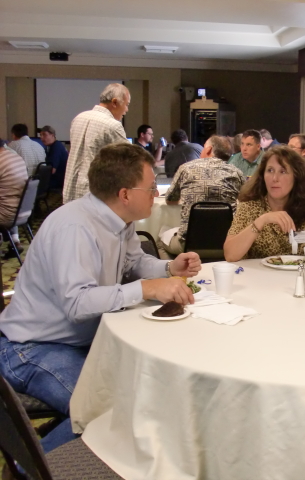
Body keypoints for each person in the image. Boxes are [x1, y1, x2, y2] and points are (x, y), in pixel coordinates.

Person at [0, 142, 202, 453]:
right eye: (150, 188)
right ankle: (36, 470)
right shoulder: (75, 228)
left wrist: (168, 267)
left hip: (79, 340)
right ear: (125, 194)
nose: (156, 194)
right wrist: (148, 288)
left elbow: (133, 262)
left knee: (146, 391)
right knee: (108, 409)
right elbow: (78, 304)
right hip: (31, 347)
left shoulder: (118, 219)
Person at [224, 145, 305, 260]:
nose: (275, 178)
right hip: (258, 276)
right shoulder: (249, 206)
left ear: (296, 177)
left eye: (283, 171)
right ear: (263, 176)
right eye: (270, 170)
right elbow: (230, 255)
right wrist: (261, 221)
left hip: (296, 276)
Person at [161, 135, 245, 255]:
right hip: (227, 245)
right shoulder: (237, 173)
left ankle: (177, 271)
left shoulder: (186, 168)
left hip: (188, 244)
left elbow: (169, 199)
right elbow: (246, 200)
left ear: (208, 149)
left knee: (160, 241)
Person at [63, 83, 130, 203]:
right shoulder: (112, 125)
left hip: (70, 190)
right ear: (115, 102)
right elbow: (131, 159)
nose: (126, 110)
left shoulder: (78, 118)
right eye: (126, 104)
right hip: (93, 194)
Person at [0, 138, 29, 258]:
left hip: (7, 215)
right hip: (23, 211)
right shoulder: (15, 157)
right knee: (8, 200)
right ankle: (15, 241)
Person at [39, 125, 68, 190]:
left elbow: (52, 170)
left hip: (57, 181)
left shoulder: (56, 148)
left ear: (52, 135)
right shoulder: (55, 145)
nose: (41, 137)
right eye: (40, 135)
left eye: (44, 135)